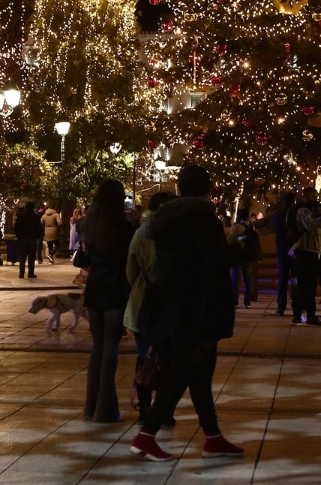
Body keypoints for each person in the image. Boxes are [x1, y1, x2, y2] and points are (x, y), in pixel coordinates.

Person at [128, 165, 243, 462]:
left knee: (199, 376)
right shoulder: (203, 220)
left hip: (175, 306)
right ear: (209, 189)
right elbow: (215, 261)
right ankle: (146, 435)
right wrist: (241, 249)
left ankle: (213, 437)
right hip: (199, 308)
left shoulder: (166, 221)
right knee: (182, 374)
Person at [82, 179, 136, 423]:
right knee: (111, 348)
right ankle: (106, 409)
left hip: (95, 289)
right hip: (115, 290)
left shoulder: (88, 225)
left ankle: (91, 405)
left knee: (98, 348)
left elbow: (84, 259)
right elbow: (129, 259)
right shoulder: (124, 228)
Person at [124, 191, 177, 420]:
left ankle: (145, 409)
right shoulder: (180, 234)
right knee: (169, 359)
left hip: (144, 301)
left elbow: (131, 270)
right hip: (173, 302)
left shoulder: (141, 234)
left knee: (145, 356)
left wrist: (143, 284)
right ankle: (165, 410)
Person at [289, 188, 321, 327]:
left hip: (308, 251)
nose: (315, 200)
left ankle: (303, 315)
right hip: (305, 251)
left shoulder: (306, 210)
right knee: (306, 285)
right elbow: (310, 225)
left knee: (306, 285)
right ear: (306, 197)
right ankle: (306, 315)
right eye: (313, 197)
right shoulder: (303, 211)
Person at [227, 208, 262, 308]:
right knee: (248, 280)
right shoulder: (251, 226)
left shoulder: (237, 227)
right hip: (248, 256)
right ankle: (247, 302)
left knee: (236, 280)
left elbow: (230, 240)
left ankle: (235, 301)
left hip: (238, 256)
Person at [270, 192, 296, 317]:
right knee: (295, 279)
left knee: (283, 279)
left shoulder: (277, 215)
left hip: (281, 250)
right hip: (294, 249)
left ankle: (281, 307)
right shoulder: (295, 214)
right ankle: (297, 307)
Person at [14, 201, 41, 278]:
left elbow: (16, 227)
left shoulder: (20, 216)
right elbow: (39, 228)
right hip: (32, 239)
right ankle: (30, 273)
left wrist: (18, 236)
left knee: (22, 257)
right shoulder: (36, 217)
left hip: (22, 239)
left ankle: (21, 273)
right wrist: (37, 236)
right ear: (32, 208)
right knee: (31, 257)